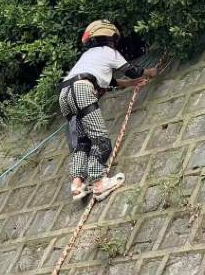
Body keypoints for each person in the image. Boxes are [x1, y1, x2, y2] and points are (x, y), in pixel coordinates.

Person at [59, 19, 160, 201]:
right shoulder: (109, 52)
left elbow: (108, 80)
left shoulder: (89, 56)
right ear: (110, 36)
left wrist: (130, 84)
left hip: (65, 95)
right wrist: (149, 72)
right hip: (82, 90)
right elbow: (132, 71)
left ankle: (77, 185)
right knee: (101, 140)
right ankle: (99, 183)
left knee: (81, 143)